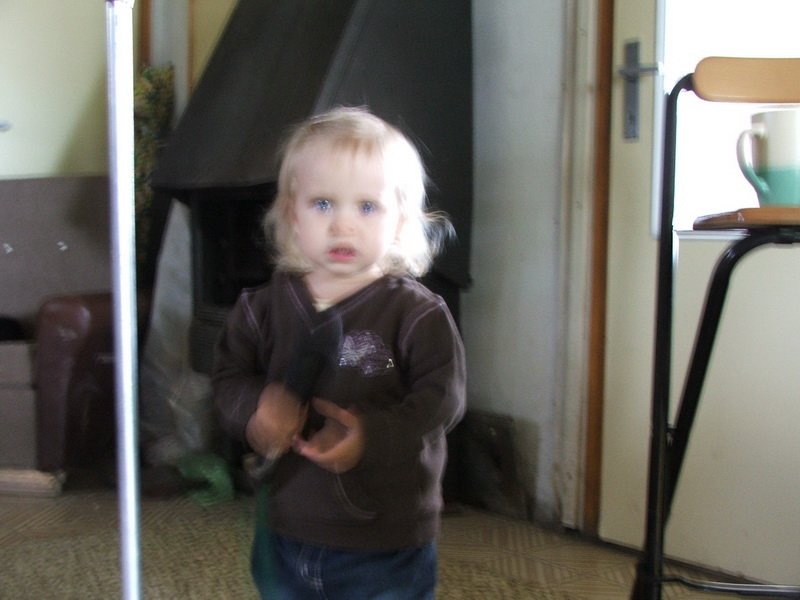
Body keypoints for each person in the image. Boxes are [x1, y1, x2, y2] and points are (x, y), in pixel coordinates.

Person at [212, 106, 467, 599]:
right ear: (293, 213)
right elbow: (227, 378)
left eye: (367, 207)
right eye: (323, 204)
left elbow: (443, 399)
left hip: (385, 539)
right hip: (285, 527)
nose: (343, 226)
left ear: (400, 220)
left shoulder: (417, 314)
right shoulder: (260, 308)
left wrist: (372, 434)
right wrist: (256, 407)